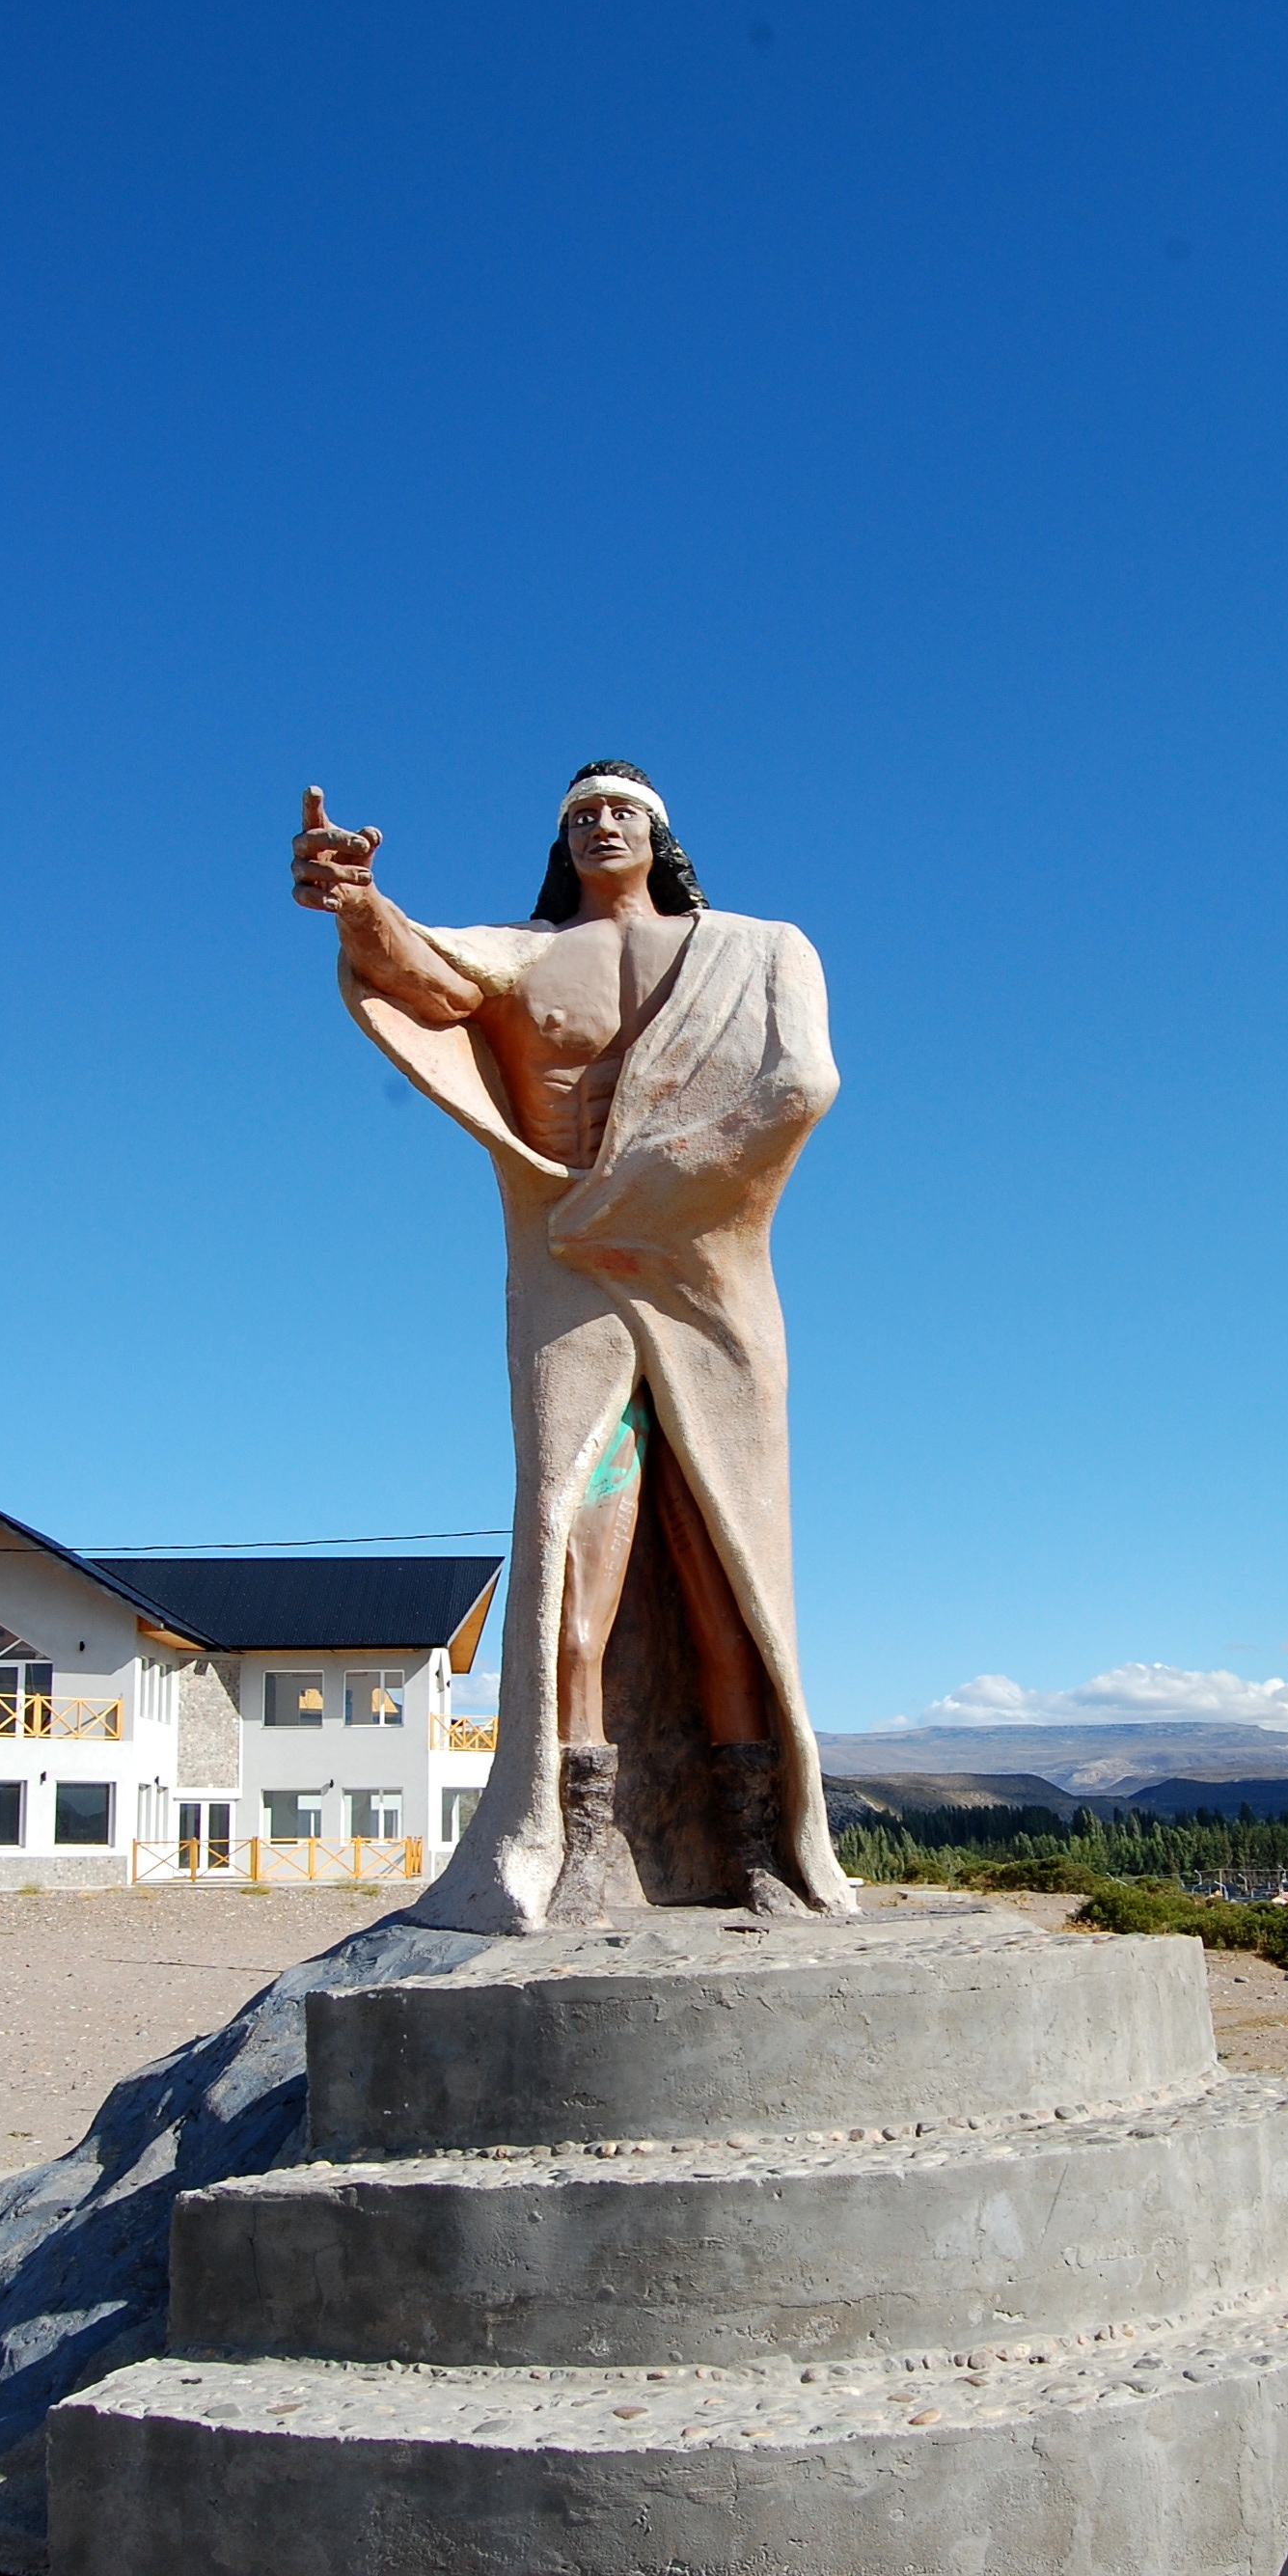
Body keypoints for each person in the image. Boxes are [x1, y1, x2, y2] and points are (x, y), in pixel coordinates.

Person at [291, 762, 850, 1930]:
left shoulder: (762, 947)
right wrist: (358, 903)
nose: (600, 824)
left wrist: (635, 1193)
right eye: (580, 814)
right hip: (568, 1284)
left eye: (621, 810)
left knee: (722, 1560)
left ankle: (757, 1844)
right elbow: (426, 975)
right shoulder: (527, 954)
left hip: (706, 1278)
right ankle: (574, 1837)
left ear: (662, 832)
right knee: (571, 1551)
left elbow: (798, 1084)